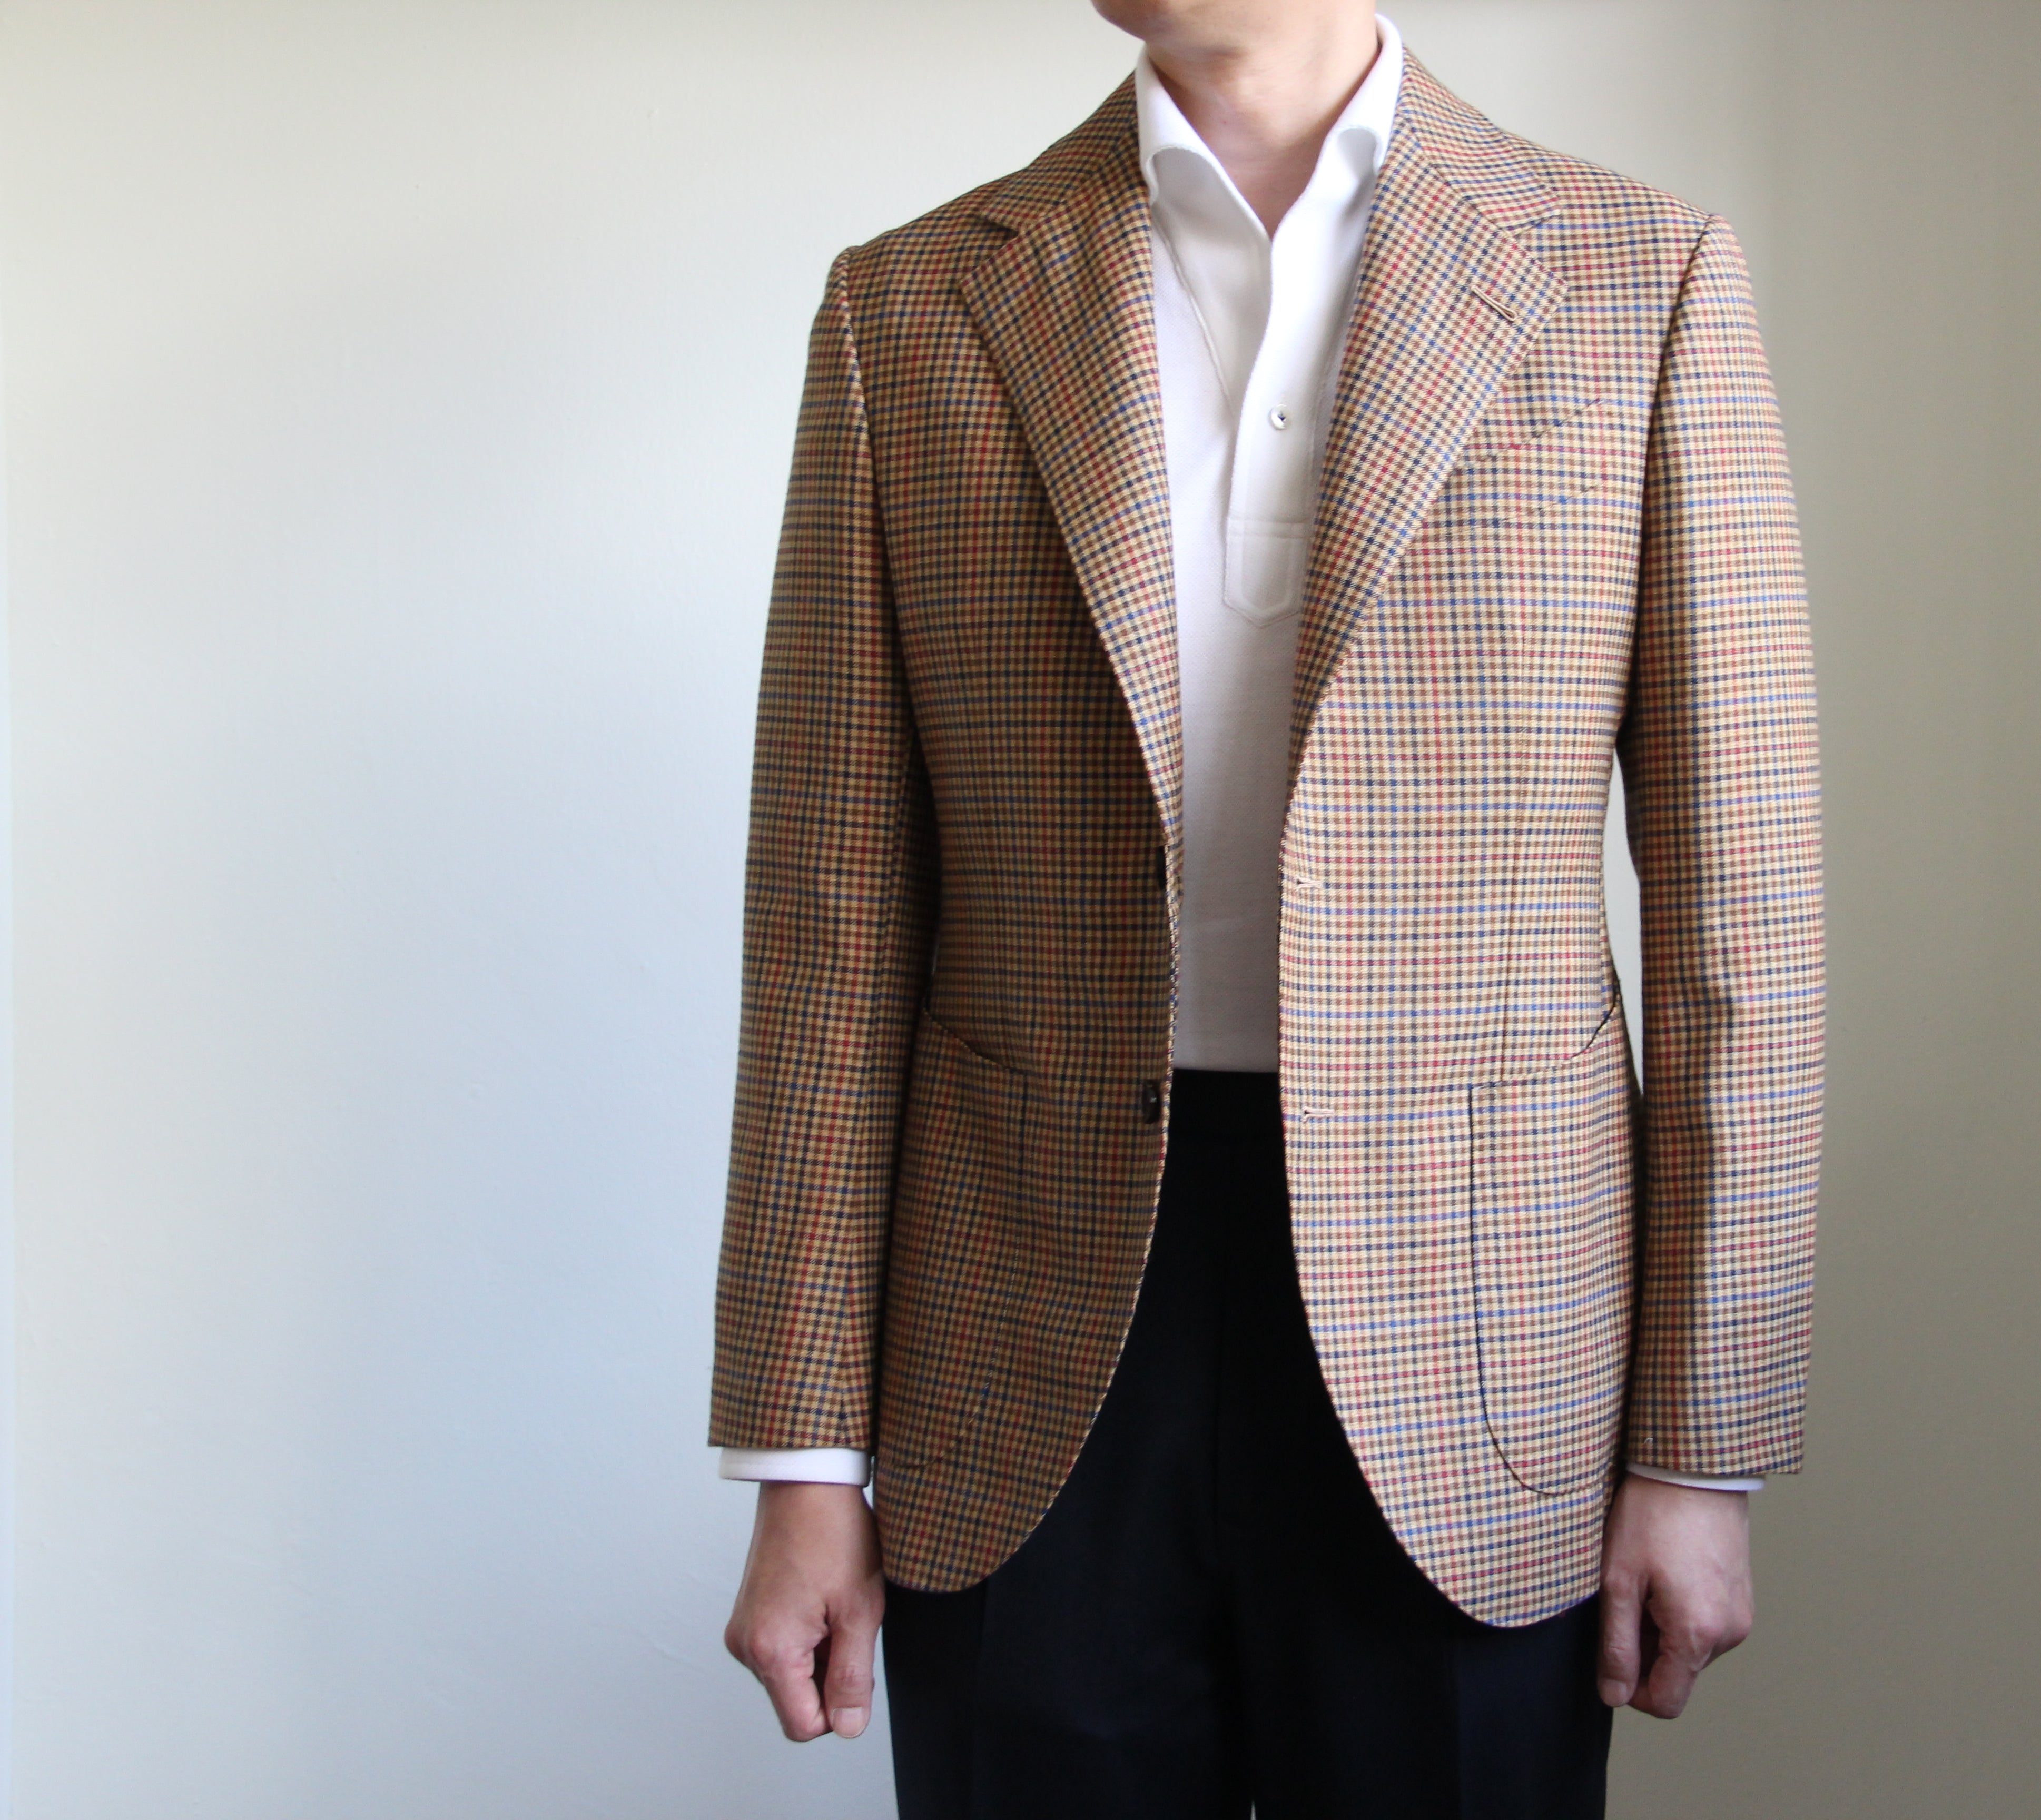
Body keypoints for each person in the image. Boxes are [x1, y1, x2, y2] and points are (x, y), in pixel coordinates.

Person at [709, 1, 1823, 1812]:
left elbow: (1741, 924)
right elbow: (829, 931)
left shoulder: (1642, 279)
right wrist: (803, 1454)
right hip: (1022, 1329)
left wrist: (1704, 1448)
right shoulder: (909, 306)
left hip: (1483, 1345)